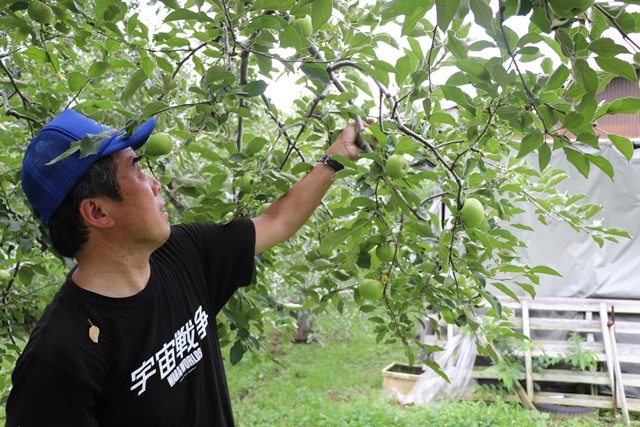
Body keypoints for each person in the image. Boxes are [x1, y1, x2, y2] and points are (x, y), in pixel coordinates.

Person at [6, 109, 369, 426]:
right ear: (98, 212)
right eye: (135, 169)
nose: (155, 183)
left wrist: (335, 157)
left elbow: (277, 221)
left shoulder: (184, 251)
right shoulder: (59, 359)